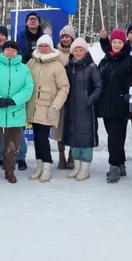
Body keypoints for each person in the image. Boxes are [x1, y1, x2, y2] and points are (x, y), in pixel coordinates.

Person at [0, 40, 34, 184]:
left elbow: (28, 88)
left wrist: (14, 100)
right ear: (2, 51)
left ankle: (9, 170)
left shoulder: (24, 68)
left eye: (13, 49)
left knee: (13, 143)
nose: (10, 51)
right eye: (7, 49)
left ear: (17, 52)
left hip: (15, 111)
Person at [26, 34, 70, 183]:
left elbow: (64, 87)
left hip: (47, 107)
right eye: (41, 45)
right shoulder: (31, 62)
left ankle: (46, 167)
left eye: (46, 46)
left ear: (51, 47)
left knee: (42, 137)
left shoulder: (57, 65)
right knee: (37, 138)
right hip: (32, 107)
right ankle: (39, 165)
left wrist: (55, 106)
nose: (43, 48)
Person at [96, 29, 132, 184]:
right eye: (114, 42)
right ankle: (121, 163)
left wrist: (128, 95)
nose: (116, 45)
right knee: (114, 136)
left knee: (115, 137)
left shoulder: (129, 60)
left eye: (120, 42)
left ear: (124, 44)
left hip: (121, 105)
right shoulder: (105, 60)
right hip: (106, 105)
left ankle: (113, 167)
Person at [62, 37, 102, 181]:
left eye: (81, 50)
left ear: (85, 51)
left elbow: (99, 86)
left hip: (86, 108)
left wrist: (89, 100)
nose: (78, 52)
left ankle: (85, 168)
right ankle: (76, 166)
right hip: (71, 107)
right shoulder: (68, 67)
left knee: (85, 138)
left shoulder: (91, 67)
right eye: (76, 50)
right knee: (73, 136)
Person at [54, 25, 77, 170]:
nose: (65, 39)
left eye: (67, 36)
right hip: (59, 94)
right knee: (60, 126)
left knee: (74, 126)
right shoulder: (54, 53)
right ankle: (61, 155)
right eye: (63, 36)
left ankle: (72, 155)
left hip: (75, 95)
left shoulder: (80, 52)